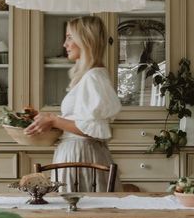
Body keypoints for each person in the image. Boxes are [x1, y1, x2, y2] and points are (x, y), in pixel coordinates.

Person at [25, 15, 122, 192]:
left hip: (81, 154)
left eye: (70, 37)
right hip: (77, 152)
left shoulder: (93, 77)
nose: (64, 44)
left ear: (86, 40)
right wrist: (45, 119)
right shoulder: (89, 76)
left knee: (79, 212)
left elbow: (92, 130)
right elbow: (81, 120)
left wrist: (53, 120)